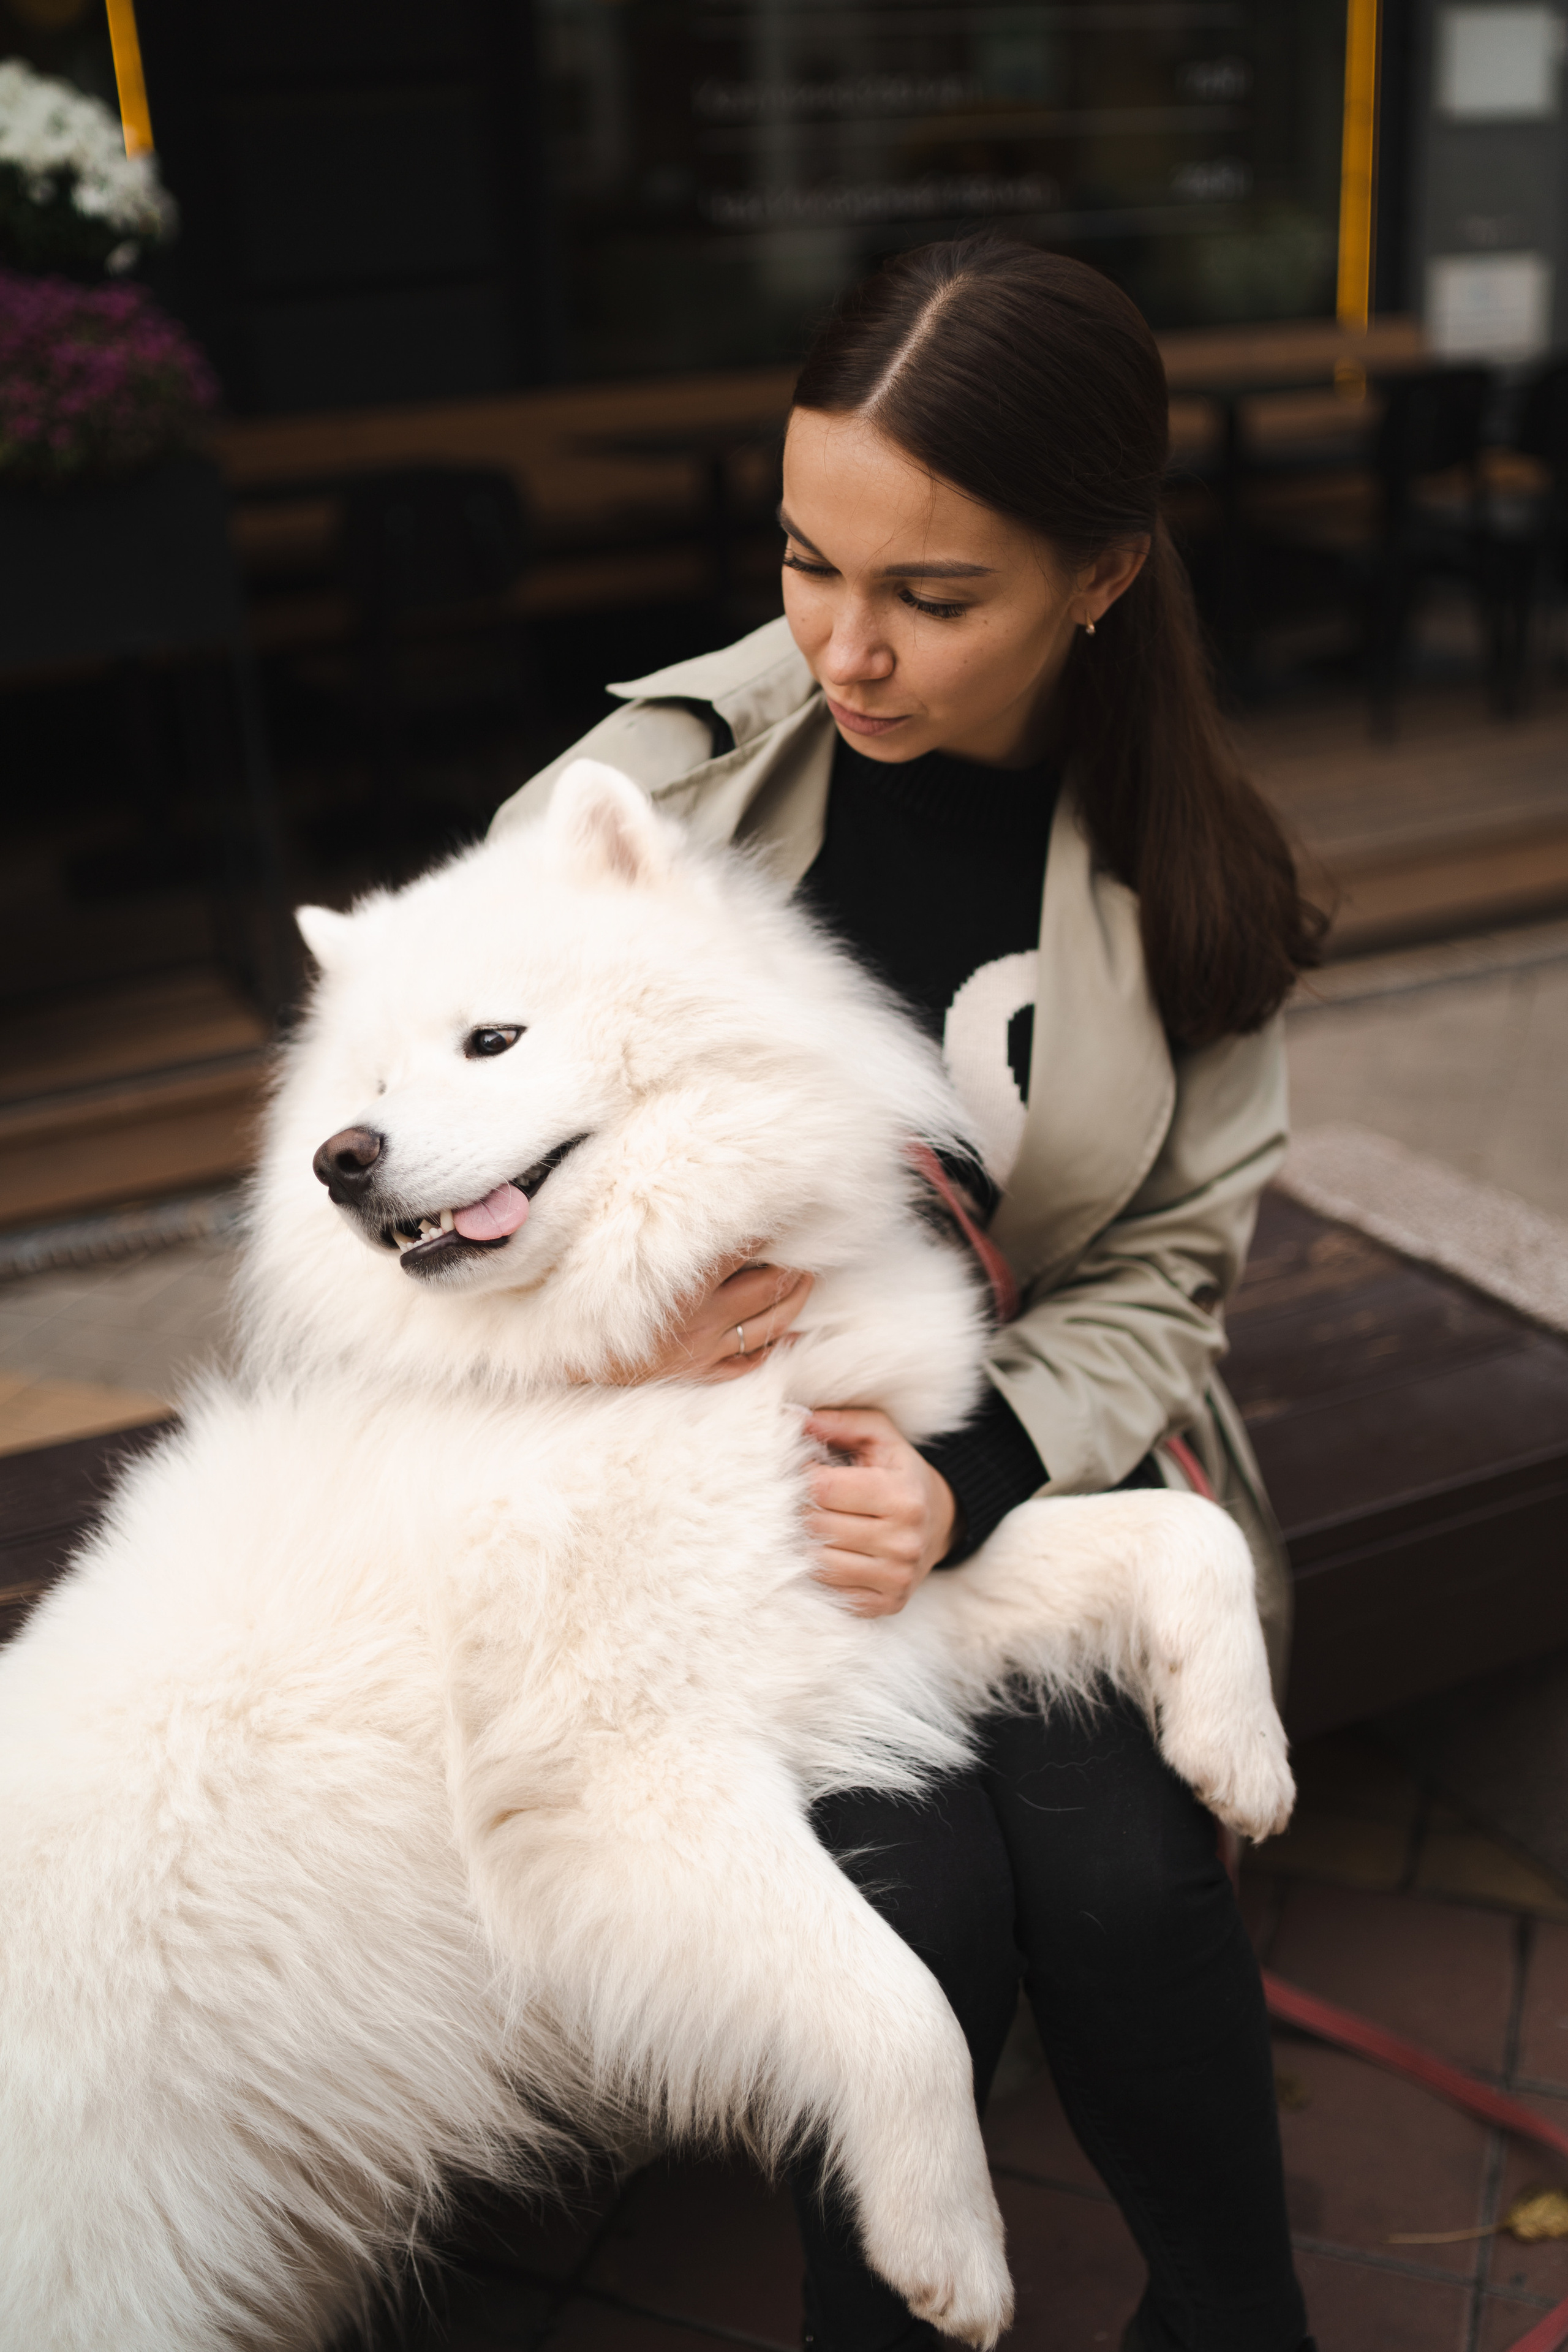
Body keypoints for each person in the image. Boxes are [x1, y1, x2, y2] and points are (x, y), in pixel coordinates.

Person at [491, 236, 1324, 2352]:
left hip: (1030, 1457)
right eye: (806, 561)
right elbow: (409, 1149)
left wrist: (972, 1472)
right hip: (680, 1495)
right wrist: (607, 1340)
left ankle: (1236, 2321)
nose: (847, 648)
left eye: (933, 598)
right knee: (913, 1898)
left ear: (1101, 577)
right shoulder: (648, 798)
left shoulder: (1190, 860)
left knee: (1123, 1873)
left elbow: (1170, 1260)